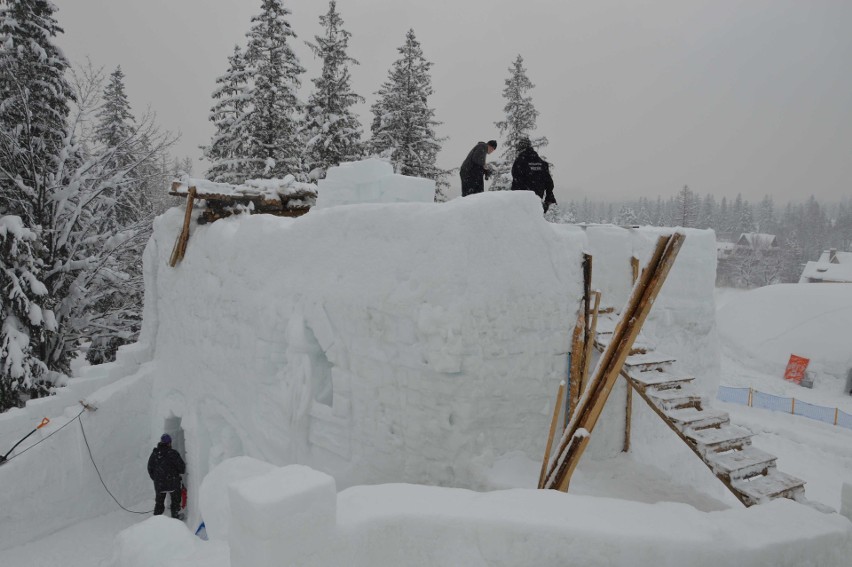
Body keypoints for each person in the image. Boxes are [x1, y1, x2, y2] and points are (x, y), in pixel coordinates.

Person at [511, 137, 556, 212]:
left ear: (520, 148)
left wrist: (512, 199)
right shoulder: (542, 163)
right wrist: (548, 199)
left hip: (522, 201)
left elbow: (516, 181)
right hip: (537, 201)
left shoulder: (519, 162)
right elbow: (549, 183)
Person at [147, 433, 186, 518]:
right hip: (172, 483)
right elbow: (182, 468)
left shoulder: (155, 454)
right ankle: (175, 516)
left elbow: (150, 468)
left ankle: (156, 519)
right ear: (169, 443)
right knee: (175, 500)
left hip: (159, 484)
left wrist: (156, 479)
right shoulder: (173, 453)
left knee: (159, 503)